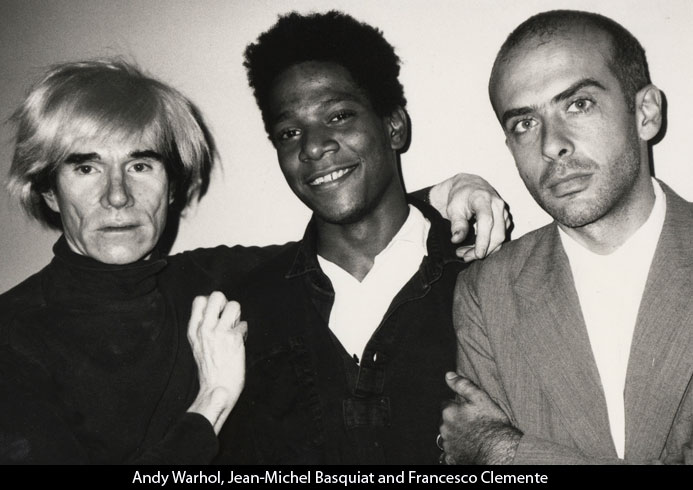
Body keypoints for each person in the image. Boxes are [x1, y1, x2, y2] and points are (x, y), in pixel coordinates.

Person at [0, 59, 506, 464]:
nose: (118, 196)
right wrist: (213, 402)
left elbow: (345, 236)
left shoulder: (206, 281)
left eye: (140, 164)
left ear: (171, 183)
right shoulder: (14, 335)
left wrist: (445, 194)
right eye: (86, 168)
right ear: (47, 189)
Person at [215, 11, 509, 465]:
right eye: (289, 132)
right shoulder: (247, 309)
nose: (313, 146)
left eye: (338, 116)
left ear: (394, 127)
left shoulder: (487, 274)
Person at [440, 10, 693, 464]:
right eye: (524, 123)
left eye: (578, 104)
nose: (551, 145)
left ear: (646, 113)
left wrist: (505, 451)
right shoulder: (487, 292)